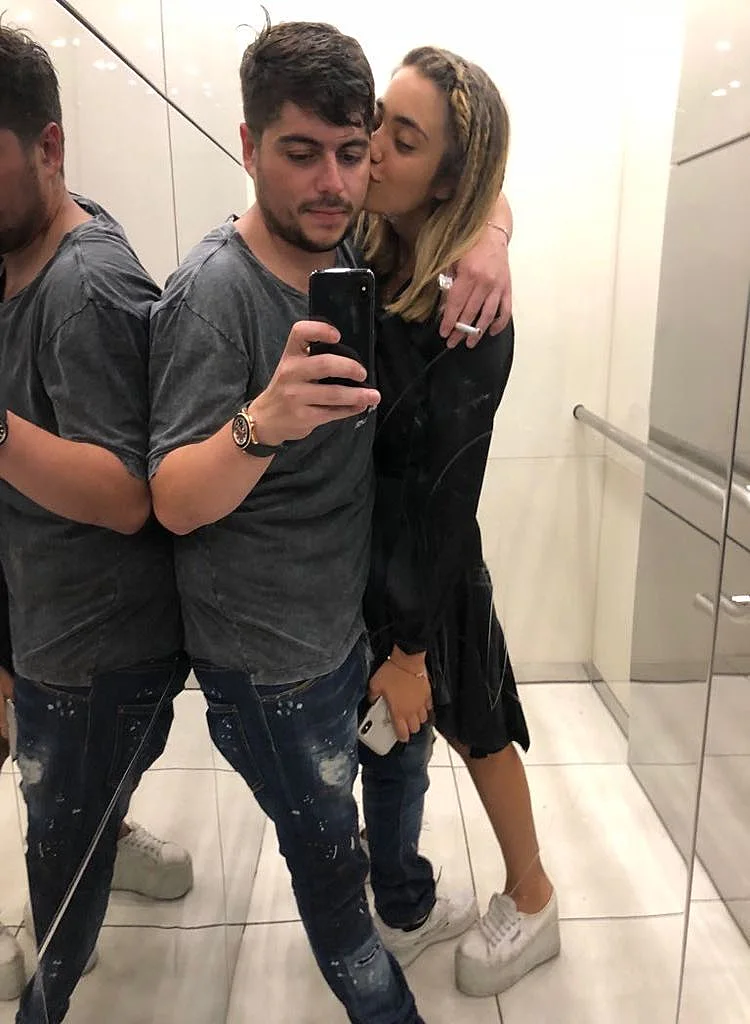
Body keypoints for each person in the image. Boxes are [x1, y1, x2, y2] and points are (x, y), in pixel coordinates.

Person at [147, 18, 512, 1023]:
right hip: (272, 669)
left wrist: (494, 234)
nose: (334, 182)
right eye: (301, 153)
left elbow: (468, 180)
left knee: (401, 769)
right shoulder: (212, 294)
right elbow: (171, 499)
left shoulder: (347, 245)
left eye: (354, 152)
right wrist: (261, 424)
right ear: (248, 143)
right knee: (333, 893)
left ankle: (409, 896)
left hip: (358, 623)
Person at [0, 24, 193, 1022]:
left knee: (58, 869)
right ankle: (105, 839)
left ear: (50, 147)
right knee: (73, 811)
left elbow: (126, 492)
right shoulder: (23, 246)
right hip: (50, 629)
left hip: (93, 657)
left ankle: (51, 982)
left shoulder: (84, 288)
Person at [359, 47, 560, 997]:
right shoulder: (369, 244)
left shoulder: (470, 308)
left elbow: (450, 489)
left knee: (477, 723)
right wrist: (495, 223)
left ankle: (534, 894)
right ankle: (404, 898)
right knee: (393, 735)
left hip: (430, 556)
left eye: (404, 140)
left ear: (447, 178)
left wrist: (409, 647)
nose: (373, 148)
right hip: (361, 548)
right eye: (377, 120)